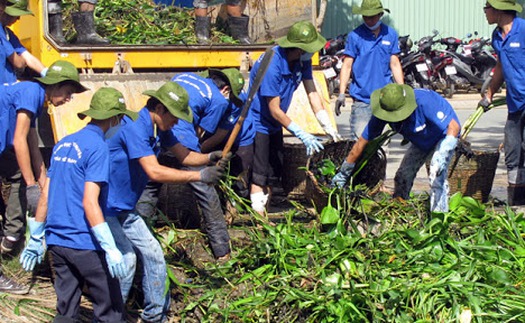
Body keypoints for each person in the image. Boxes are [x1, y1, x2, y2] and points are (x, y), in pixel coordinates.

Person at [103, 81, 229, 322]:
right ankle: (109, 316)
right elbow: (155, 172)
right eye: (175, 116)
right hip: (105, 207)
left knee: (154, 254)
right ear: (160, 108)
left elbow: (185, 155)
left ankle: (154, 316)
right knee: (127, 262)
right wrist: (200, 175)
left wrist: (211, 157)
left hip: (125, 209)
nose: (178, 123)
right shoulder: (134, 127)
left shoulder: (158, 128)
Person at [19, 87, 137, 322]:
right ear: (114, 118)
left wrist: (36, 238)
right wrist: (110, 247)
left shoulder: (64, 144)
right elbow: (90, 201)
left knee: (66, 311)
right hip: (84, 243)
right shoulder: (98, 148)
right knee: (111, 311)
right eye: (121, 118)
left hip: (57, 244)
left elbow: (46, 195)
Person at [137, 68, 243, 260]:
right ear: (225, 89)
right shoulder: (219, 100)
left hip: (166, 130)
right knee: (204, 189)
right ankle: (222, 250)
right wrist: (201, 164)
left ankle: (140, 234)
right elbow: (200, 133)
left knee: (149, 187)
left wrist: (209, 157)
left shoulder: (185, 76)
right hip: (182, 133)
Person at [0, 60, 87, 293]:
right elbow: (19, 140)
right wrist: (31, 186)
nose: (69, 99)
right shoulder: (32, 93)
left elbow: (33, 145)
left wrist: (44, 181)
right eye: (68, 93)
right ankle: (10, 237)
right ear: (55, 86)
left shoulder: (35, 96)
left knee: (20, 173)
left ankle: (9, 236)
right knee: (20, 176)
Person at [250, 20, 341, 216]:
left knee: (274, 171)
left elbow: (312, 92)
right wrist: (301, 133)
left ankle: (267, 210)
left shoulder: (302, 61)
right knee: (259, 174)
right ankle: (258, 217)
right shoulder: (272, 64)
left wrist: (326, 122)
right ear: (299, 49)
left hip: (274, 125)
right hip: (258, 123)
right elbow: (274, 109)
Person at [332, 84, 461, 213]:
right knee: (402, 176)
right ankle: (401, 208)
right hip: (421, 141)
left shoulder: (425, 101)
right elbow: (362, 142)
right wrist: (345, 170)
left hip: (443, 137)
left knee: (436, 175)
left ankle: (440, 217)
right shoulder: (383, 112)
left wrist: (443, 152)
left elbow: (454, 127)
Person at [334, 0, 404, 141]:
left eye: (372, 17)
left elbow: (395, 64)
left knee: (381, 147)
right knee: (359, 145)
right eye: (365, 17)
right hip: (362, 100)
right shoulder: (355, 36)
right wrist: (341, 93)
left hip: (385, 100)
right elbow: (347, 65)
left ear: (380, 15)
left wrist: (402, 89)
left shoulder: (390, 34)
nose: (369, 20)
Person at [480, 0, 525, 206]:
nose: (485, 13)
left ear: (498, 10)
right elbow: (500, 67)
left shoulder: (523, 30)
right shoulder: (497, 36)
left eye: (486, 9)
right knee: (513, 151)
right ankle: (516, 202)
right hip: (515, 104)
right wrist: (488, 94)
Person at [1, 0, 47, 82]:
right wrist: (22, 62)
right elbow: (18, 63)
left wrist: (47, 73)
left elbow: (27, 57)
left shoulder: (8, 33)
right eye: (17, 15)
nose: (18, 19)